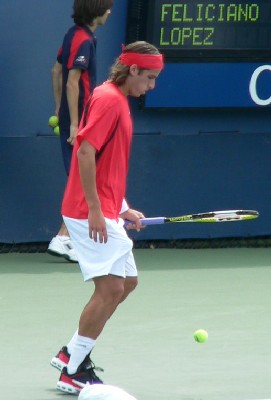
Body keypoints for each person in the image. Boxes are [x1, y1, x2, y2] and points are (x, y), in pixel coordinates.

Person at [50, 41, 164, 395]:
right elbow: (85, 153)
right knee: (111, 287)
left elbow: (107, 162)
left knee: (127, 282)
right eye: (149, 77)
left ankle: (71, 351)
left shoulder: (117, 99)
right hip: (88, 212)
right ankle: (72, 371)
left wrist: (122, 205)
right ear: (132, 70)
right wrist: (98, 209)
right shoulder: (109, 101)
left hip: (105, 207)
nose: (152, 86)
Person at [47, 0, 113, 263]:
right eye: (106, 8)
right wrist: (75, 123)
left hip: (73, 117)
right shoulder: (84, 40)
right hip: (82, 119)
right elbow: (72, 82)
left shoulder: (72, 34)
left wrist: (59, 109)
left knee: (82, 179)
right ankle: (64, 238)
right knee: (84, 180)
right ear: (96, 11)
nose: (109, 12)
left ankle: (68, 238)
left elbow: (56, 71)